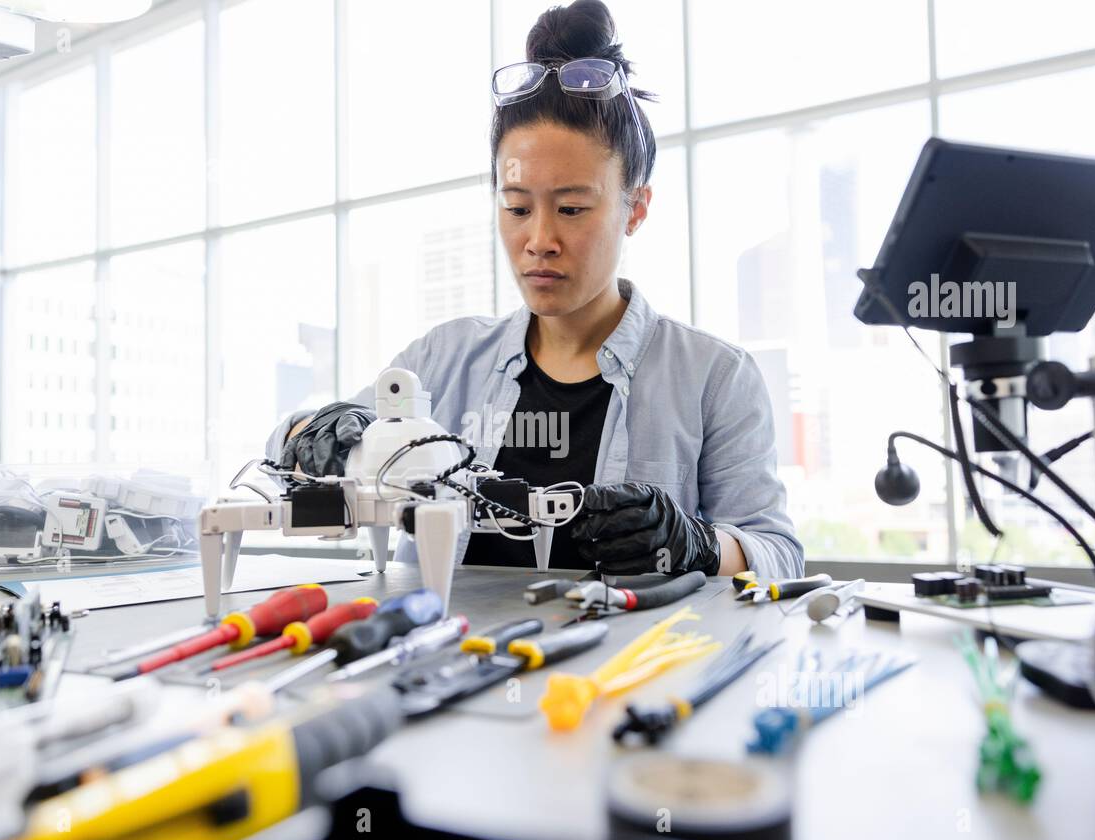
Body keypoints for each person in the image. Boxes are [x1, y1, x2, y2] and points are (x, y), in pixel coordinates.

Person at [267, 0, 803, 580]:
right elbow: (288, 452)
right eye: (517, 207)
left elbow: (779, 553)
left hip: (626, 668)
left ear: (636, 207)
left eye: (572, 208)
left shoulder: (712, 378)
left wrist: (695, 544)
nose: (539, 239)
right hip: (444, 662)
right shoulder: (442, 361)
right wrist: (317, 433)